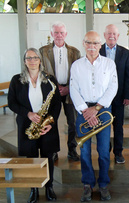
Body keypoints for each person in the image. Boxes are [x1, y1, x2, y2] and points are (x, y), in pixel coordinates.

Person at [8, 48, 61, 203]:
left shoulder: (50, 79)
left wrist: (50, 122)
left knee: (48, 157)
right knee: (31, 157)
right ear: (25, 61)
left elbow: (56, 103)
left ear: (40, 60)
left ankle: (49, 187)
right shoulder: (16, 80)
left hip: (46, 124)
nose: (32, 61)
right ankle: (34, 189)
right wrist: (28, 114)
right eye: (29, 58)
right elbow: (12, 103)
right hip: (27, 123)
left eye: (35, 58)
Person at [70, 31, 118, 202]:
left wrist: (96, 108)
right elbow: (73, 89)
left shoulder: (109, 64)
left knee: (104, 150)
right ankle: (87, 184)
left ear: (100, 44)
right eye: (88, 43)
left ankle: (103, 184)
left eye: (95, 43)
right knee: (84, 151)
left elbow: (113, 87)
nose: (91, 46)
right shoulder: (76, 65)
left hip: (103, 109)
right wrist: (86, 110)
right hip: (83, 110)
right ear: (83, 43)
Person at [40, 21, 81, 162]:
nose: (59, 35)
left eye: (61, 32)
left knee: (73, 122)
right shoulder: (43, 51)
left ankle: (72, 149)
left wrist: (68, 87)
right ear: (51, 34)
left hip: (70, 91)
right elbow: (42, 72)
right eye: (56, 32)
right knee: (52, 122)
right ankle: (53, 151)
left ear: (66, 34)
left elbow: (78, 73)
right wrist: (56, 87)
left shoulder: (75, 52)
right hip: (52, 92)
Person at [100, 24, 129, 164]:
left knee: (118, 126)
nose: (111, 36)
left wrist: (128, 96)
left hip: (119, 96)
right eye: (109, 33)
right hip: (101, 97)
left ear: (118, 36)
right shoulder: (98, 50)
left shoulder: (125, 53)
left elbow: (128, 75)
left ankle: (118, 152)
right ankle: (105, 152)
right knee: (104, 125)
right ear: (104, 35)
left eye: (114, 33)